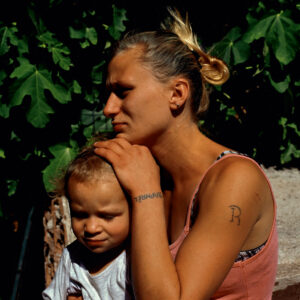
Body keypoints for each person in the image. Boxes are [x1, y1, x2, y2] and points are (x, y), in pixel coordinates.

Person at [93, 7, 278, 300]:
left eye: (123, 91)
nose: (108, 108)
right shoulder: (142, 170)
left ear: (177, 94)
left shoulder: (235, 179)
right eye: (108, 93)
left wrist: (146, 192)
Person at [42, 144, 133, 300]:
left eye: (107, 216)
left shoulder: (133, 263)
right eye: (80, 215)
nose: (91, 228)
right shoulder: (72, 257)